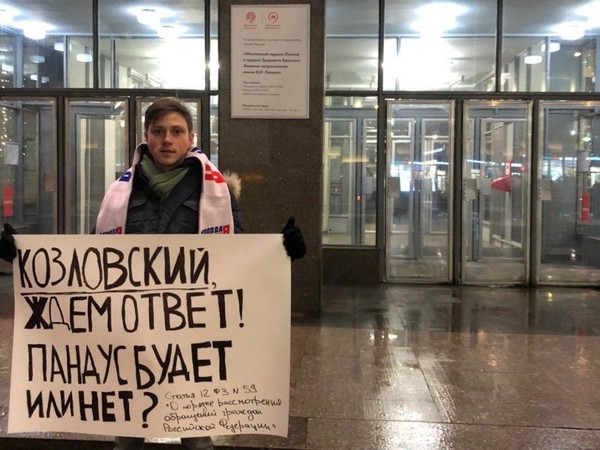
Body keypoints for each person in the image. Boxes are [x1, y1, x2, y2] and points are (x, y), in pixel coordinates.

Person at [0, 97, 306, 450]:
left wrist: (282, 253)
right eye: (158, 131)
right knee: (128, 434)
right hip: (131, 336)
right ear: (146, 137)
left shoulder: (216, 193)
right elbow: (90, 261)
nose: (167, 140)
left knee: (197, 437)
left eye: (176, 131)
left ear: (190, 138)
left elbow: (239, 257)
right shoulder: (121, 193)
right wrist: (24, 257)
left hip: (193, 336)